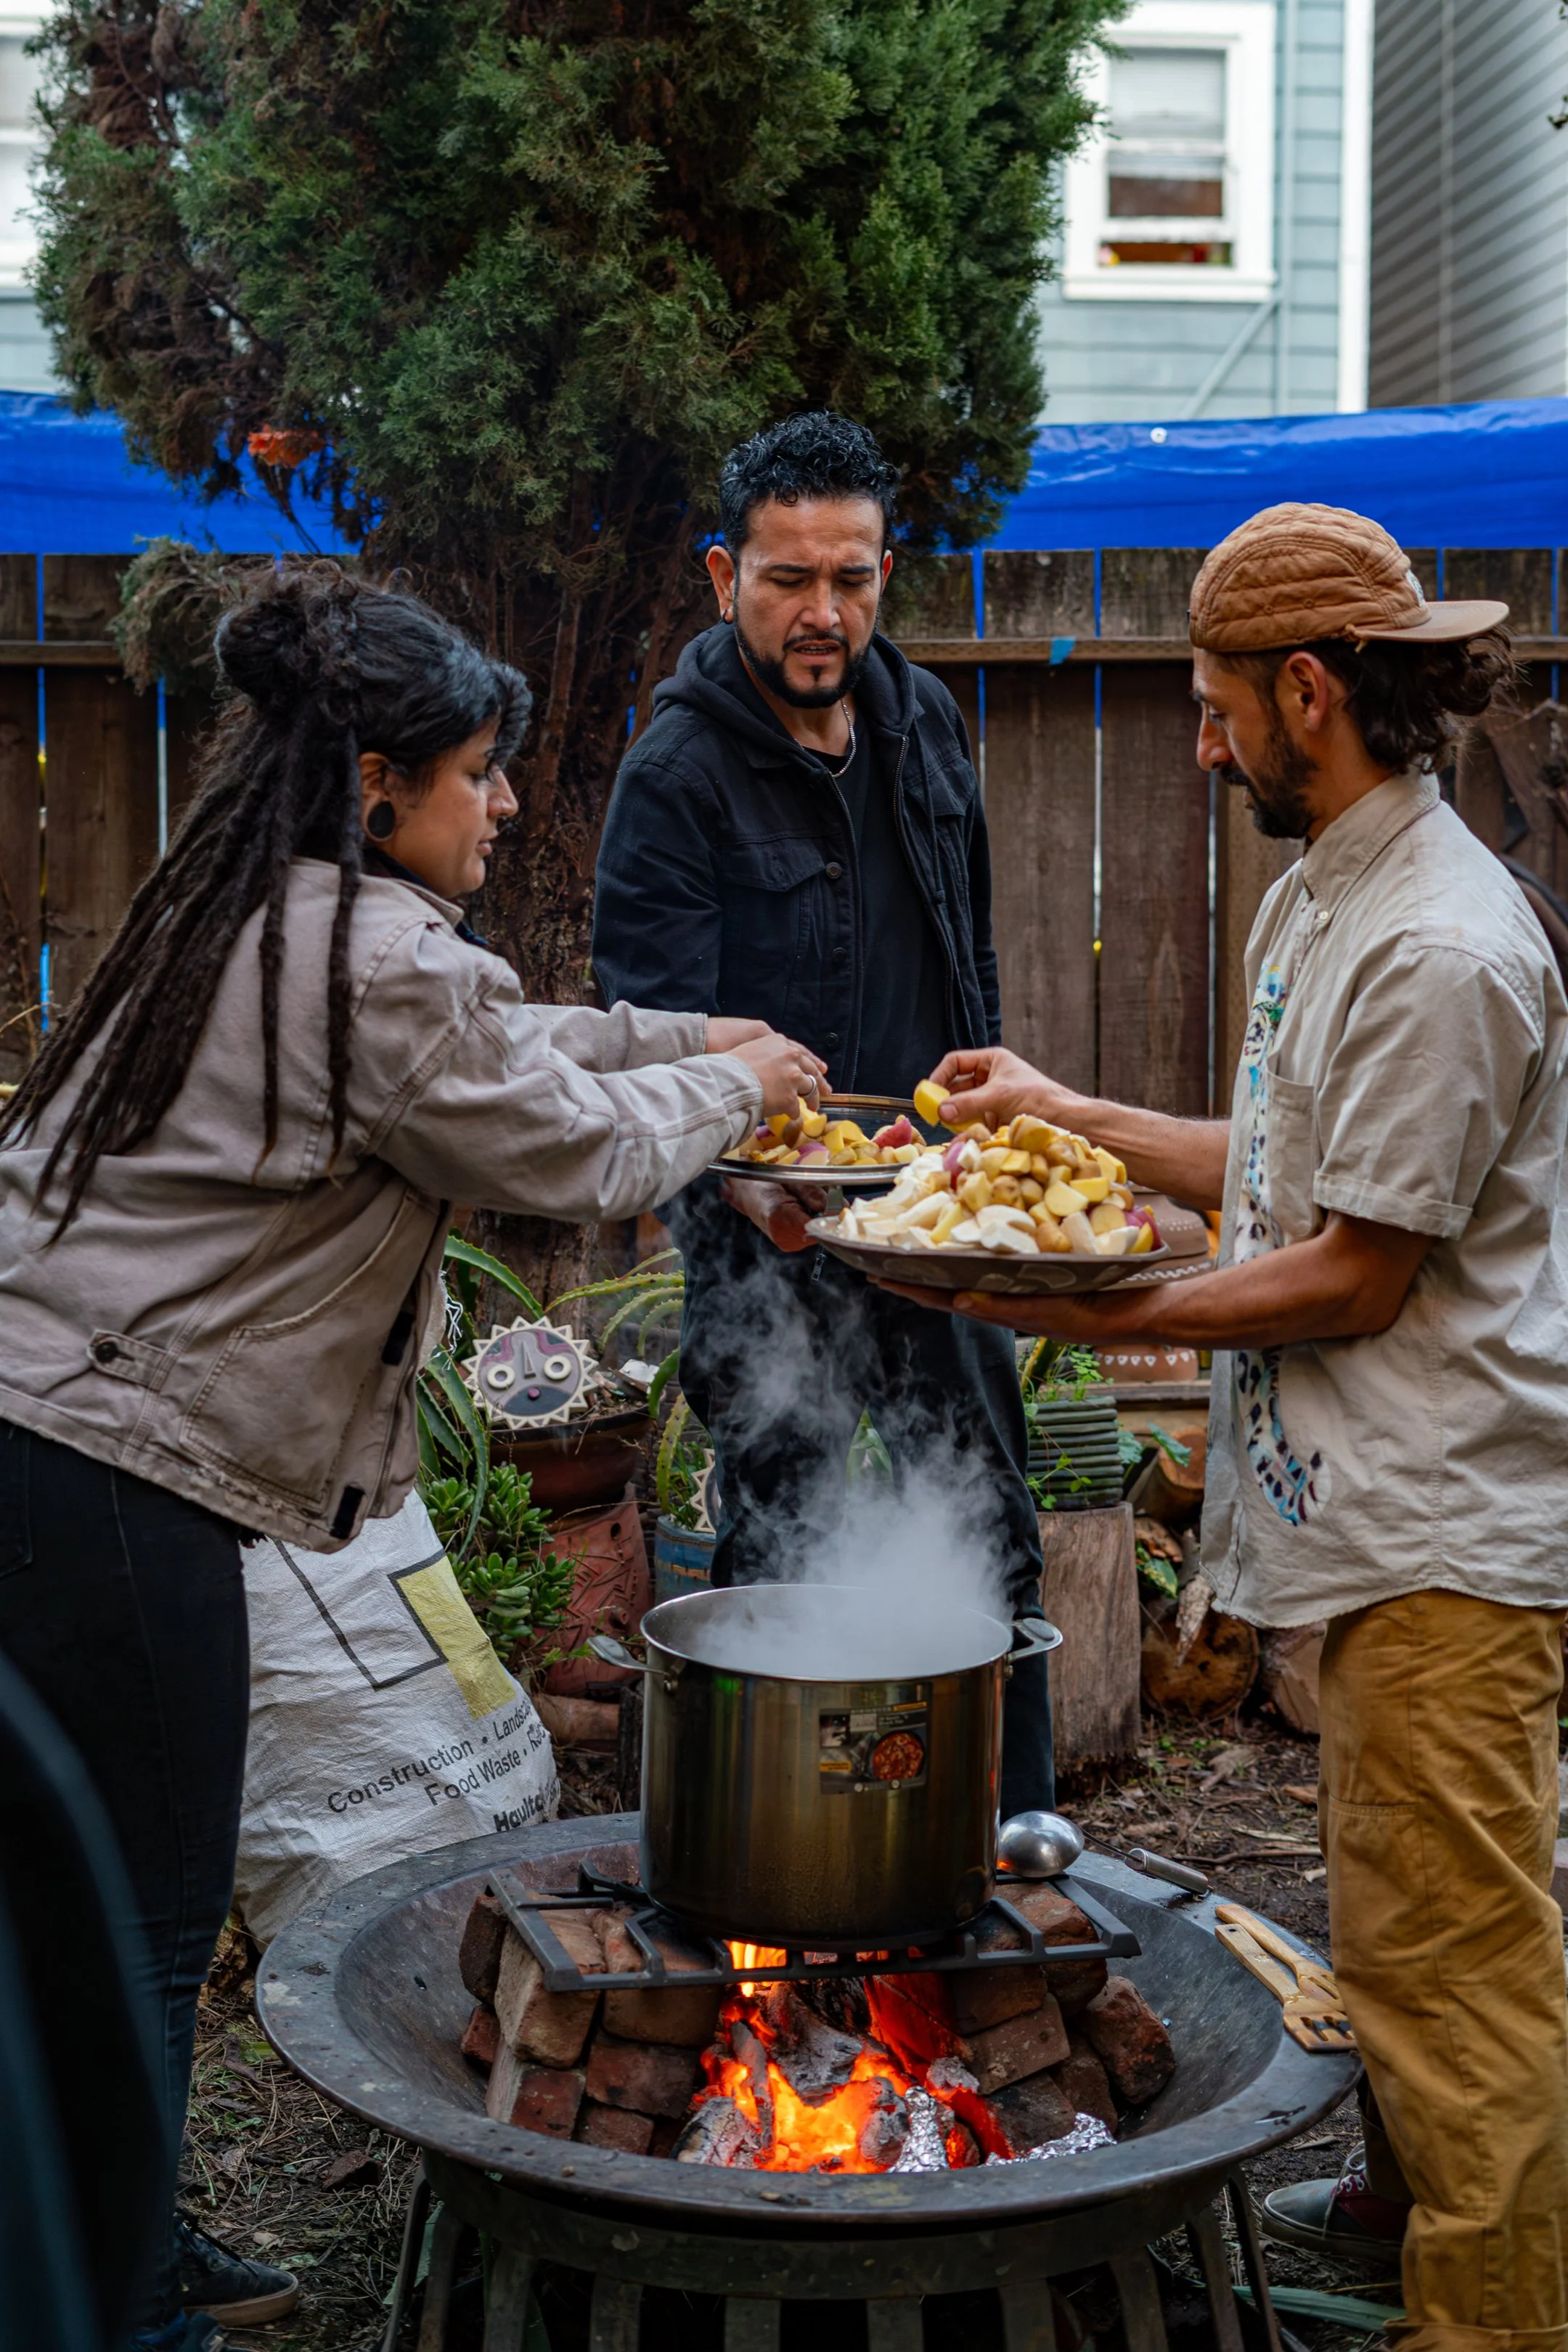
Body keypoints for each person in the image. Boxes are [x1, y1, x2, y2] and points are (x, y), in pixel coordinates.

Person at [0, 565, 820, 2351]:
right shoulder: (364, 962)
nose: (508, 801)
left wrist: (697, 1043)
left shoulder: (278, 915)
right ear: (378, 781)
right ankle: (119, 2310)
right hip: (94, 1470)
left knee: (84, 1902)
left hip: (49, 1442)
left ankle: (114, 2245)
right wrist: (744, 1094)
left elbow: (520, 1047)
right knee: (144, 1912)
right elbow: (567, 1150)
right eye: (480, 771)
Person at [886, 503, 1568, 2349]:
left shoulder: (1442, 947)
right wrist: (1063, 1111)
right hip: (1360, 1518)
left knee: (1459, 1975)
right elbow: (1274, 1171)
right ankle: (1408, 2217)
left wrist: (1075, 1307)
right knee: (1403, 1938)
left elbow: (1354, 1272)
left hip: (1446, 1535)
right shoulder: (1326, 891)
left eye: (1210, 704)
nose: (1198, 736)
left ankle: (1494, 2325)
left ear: (1310, 688)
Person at [592, 412, 1053, 1817]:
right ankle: (775, 1863)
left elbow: (964, 959)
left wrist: (982, 1134)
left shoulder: (923, 724)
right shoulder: (674, 777)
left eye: (849, 577)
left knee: (988, 1524)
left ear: (884, 574)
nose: (822, 611)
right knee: (782, 1537)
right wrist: (747, 1181)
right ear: (725, 575)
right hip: (761, 1233)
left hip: (939, 1208)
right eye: (789, 578)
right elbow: (652, 1033)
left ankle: (1005, 1844)